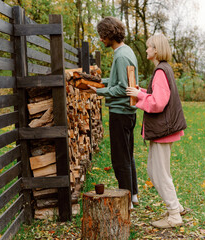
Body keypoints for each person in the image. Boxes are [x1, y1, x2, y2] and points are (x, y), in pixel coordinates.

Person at [126, 34, 187, 228]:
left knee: (160, 174)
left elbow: (159, 103)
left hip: (163, 131)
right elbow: (157, 95)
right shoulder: (164, 69)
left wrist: (139, 97)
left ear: (157, 50)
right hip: (163, 130)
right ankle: (176, 207)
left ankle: (174, 215)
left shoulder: (161, 71)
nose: (146, 50)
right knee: (155, 172)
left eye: (149, 47)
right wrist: (141, 92)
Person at [88, 16, 139, 208]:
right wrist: (101, 83)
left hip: (121, 112)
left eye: (102, 35)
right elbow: (119, 81)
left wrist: (99, 91)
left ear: (110, 34)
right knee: (127, 154)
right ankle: (133, 195)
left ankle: (126, 200)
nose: (101, 39)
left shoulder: (121, 56)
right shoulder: (127, 51)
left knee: (119, 158)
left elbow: (124, 88)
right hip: (128, 112)